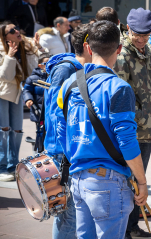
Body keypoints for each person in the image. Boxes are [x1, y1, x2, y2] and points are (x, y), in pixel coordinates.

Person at [55, 20, 148, 239]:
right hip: (108, 182)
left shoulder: (69, 84)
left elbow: (61, 129)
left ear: (88, 48)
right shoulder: (119, 88)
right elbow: (127, 141)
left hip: (77, 179)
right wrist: (142, 182)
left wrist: (77, 157)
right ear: (118, 49)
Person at [113, 8, 151, 239]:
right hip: (133, 129)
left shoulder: (147, 49)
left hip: (147, 128)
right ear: (128, 29)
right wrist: (143, 117)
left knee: (137, 182)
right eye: (137, 35)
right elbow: (120, 98)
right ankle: (125, 230)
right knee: (129, 182)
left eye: (146, 35)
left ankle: (132, 227)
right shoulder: (121, 55)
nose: (141, 40)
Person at [43, 23, 93, 238]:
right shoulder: (66, 69)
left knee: (71, 214)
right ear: (88, 45)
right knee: (68, 214)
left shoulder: (83, 69)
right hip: (63, 153)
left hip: (72, 151)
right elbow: (55, 115)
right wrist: (64, 153)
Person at [0, 21, 47, 182]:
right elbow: (5, 76)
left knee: (18, 130)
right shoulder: (1, 49)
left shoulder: (24, 45)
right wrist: (9, 56)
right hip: (3, 93)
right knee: (4, 129)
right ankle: (2, 166)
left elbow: (37, 65)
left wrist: (37, 47)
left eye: (16, 27)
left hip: (18, 92)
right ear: (5, 37)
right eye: (11, 30)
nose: (16, 30)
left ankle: (13, 165)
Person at [22, 53, 49, 123]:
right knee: (40, 131)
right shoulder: (33, 78)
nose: (50, 65)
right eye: (46, 63)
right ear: (40, 66)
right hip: (38, 109)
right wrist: (28, 99)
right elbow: (26, 90)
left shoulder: (55, 77)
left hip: (51, 110)